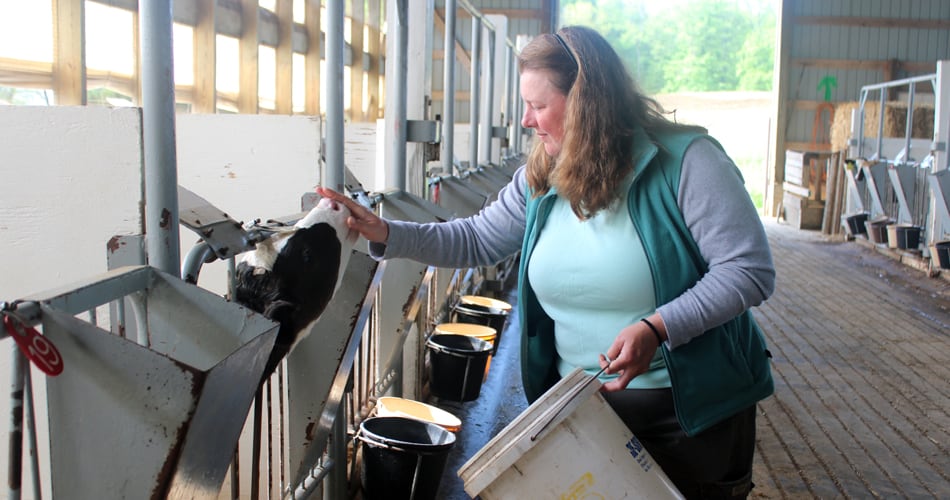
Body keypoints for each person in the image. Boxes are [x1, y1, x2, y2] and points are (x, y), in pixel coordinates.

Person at [319, 25, 775, 499]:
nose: (526, 121)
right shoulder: (542, 177)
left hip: (687, 413)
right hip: (581, 410)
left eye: (538, 106)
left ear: (585, 104)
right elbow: (475, 239)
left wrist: (658, 328)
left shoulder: (687, 163)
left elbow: (748, 271)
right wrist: (386, 233)